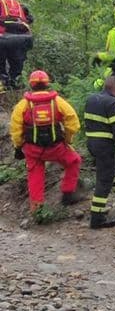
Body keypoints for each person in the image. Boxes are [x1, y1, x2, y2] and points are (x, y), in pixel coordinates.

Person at [9, 70, 82, 211]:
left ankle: (37, 209)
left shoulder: (22, 105)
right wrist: (67, 140)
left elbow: (15, 129)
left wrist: (18, 147)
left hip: (32, 150)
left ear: (31, 84)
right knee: (74, 161)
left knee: (35, 175)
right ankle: (67, 194)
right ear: (47, 84)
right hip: (57, 148)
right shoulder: (58, 102)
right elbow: (73, 123)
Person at [84, 75, 115, 229]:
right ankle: (97, 218)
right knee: (104, 181)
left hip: (92, 143)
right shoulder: (112, 102)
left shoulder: (92, 99)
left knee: (112, 169)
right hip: (104, 145)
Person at [0, 0, 34, 90]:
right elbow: (30, 19)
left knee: (1, 66)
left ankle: (3, 82)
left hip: (3, 38)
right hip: (24, 38)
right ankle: (15, 82)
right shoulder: (15, 4)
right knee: (16, 65)